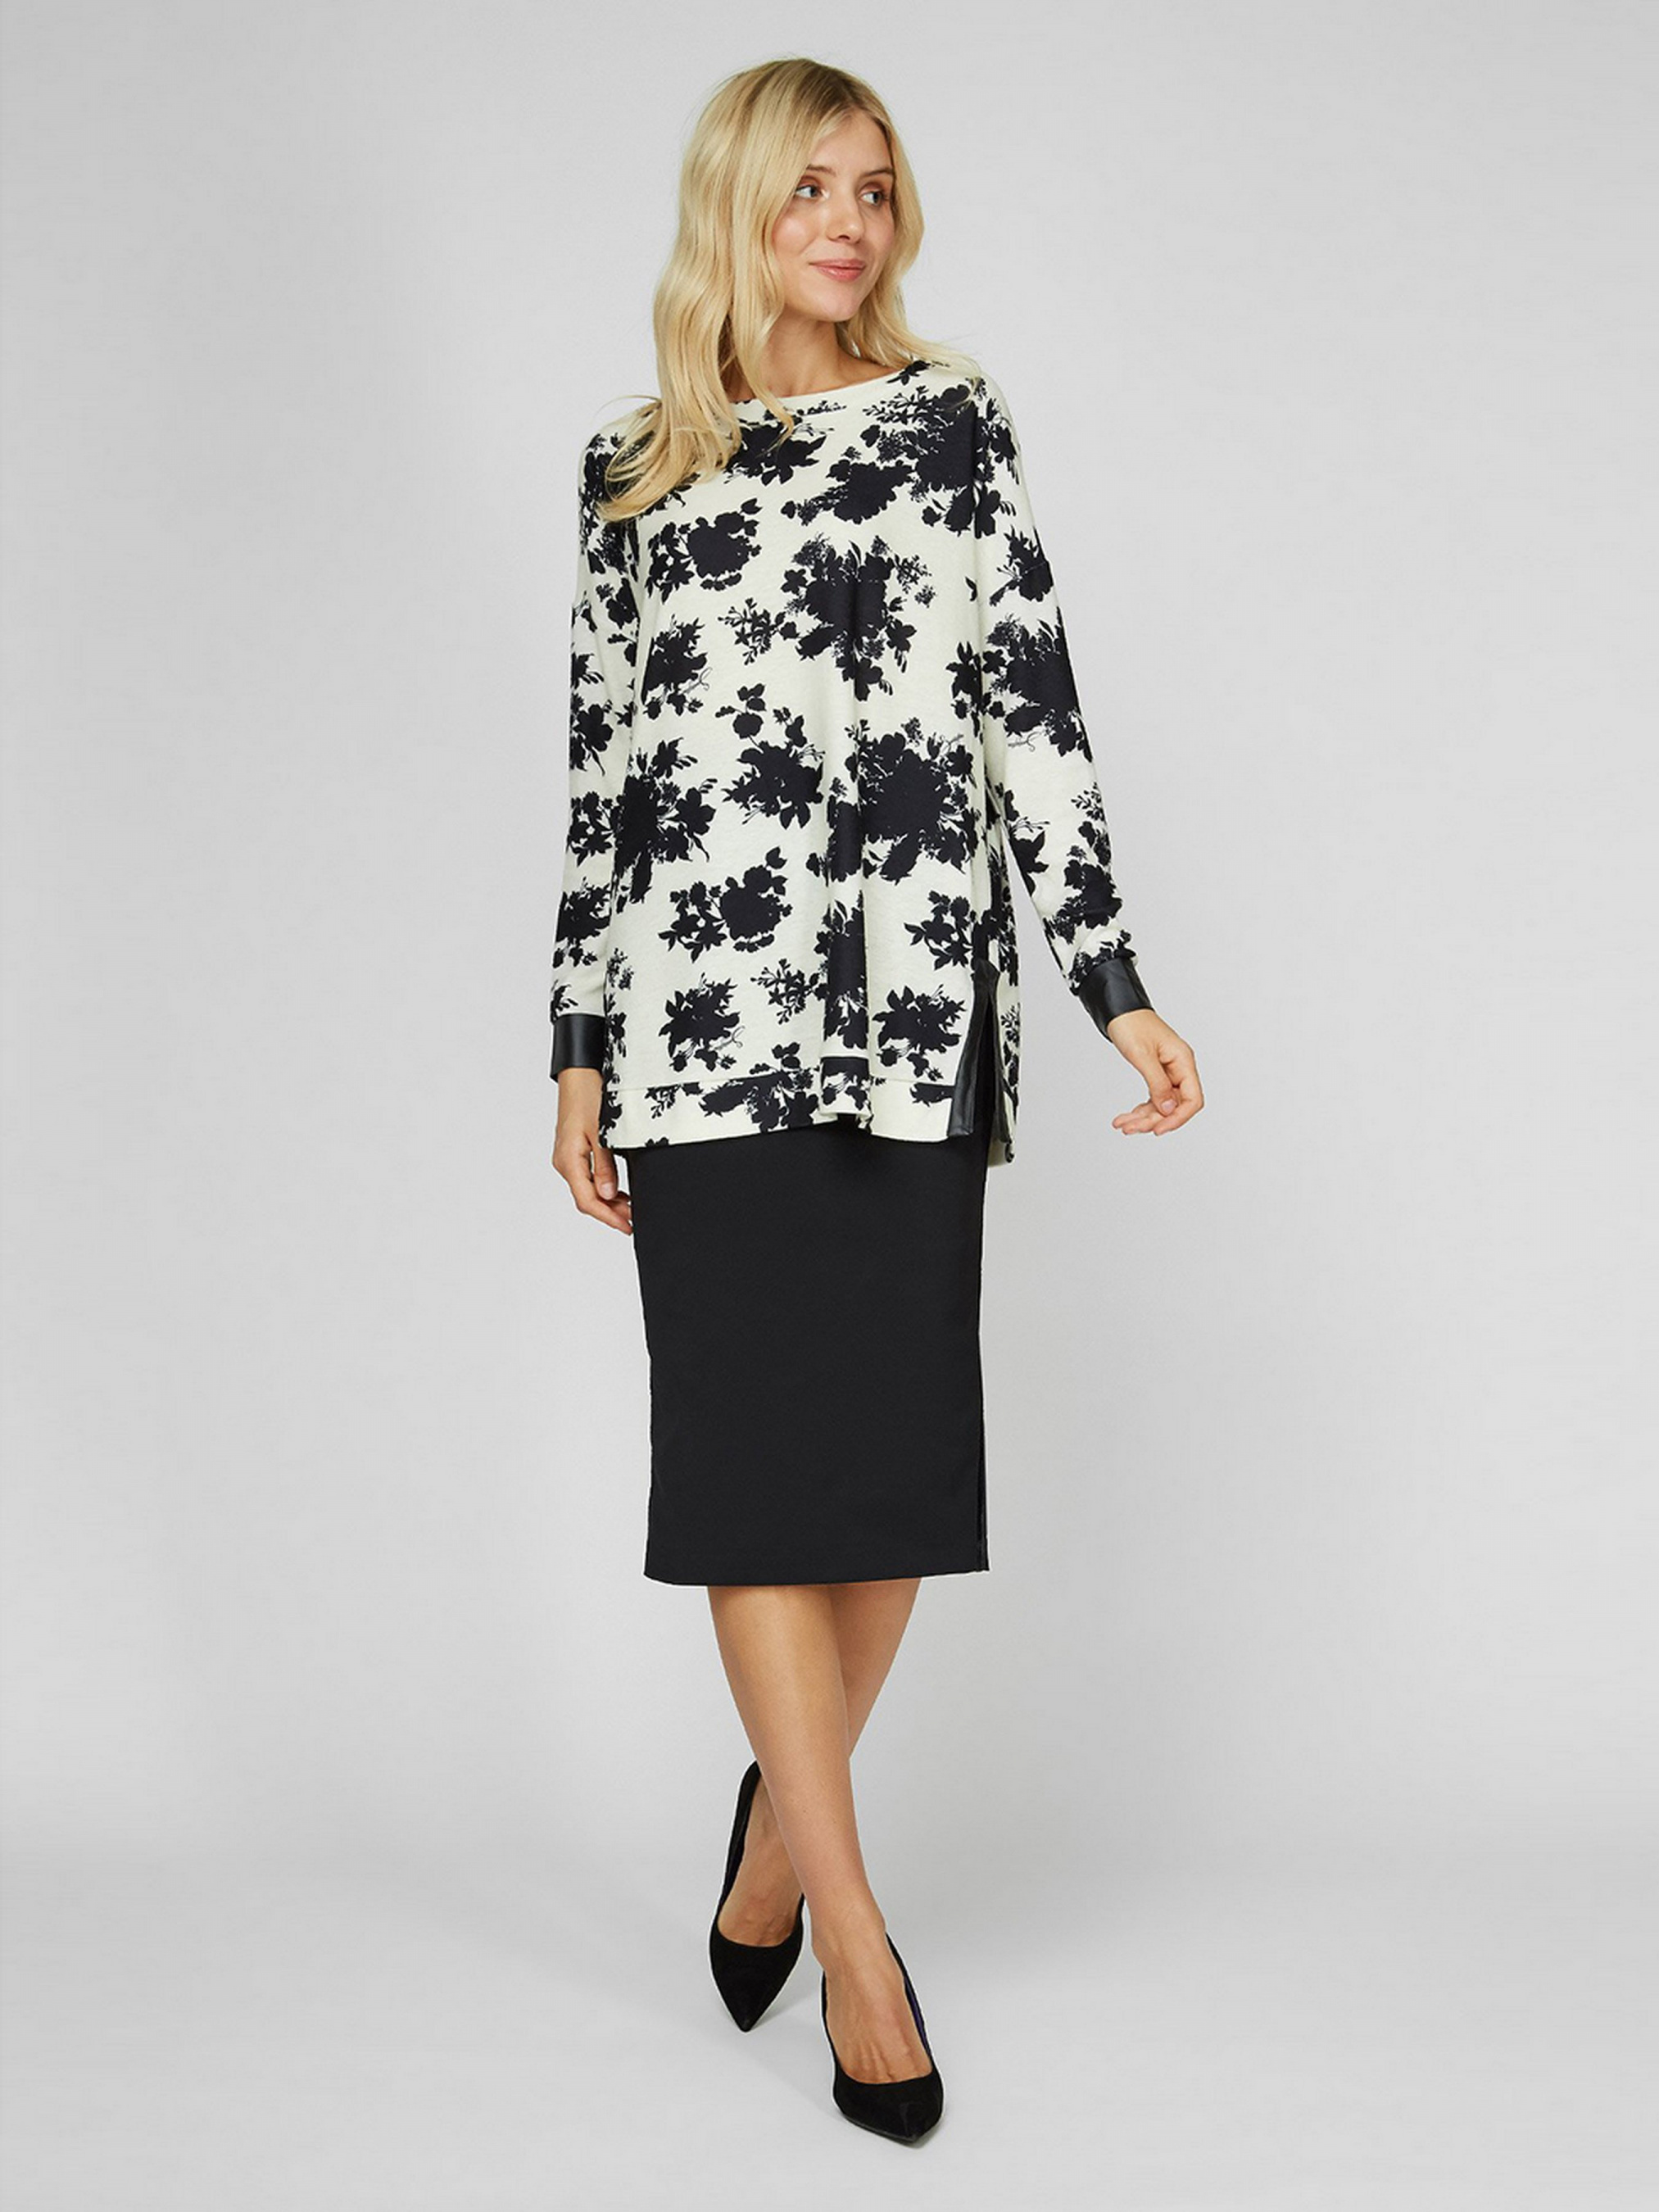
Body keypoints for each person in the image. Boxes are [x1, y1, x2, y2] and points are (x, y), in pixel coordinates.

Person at [547, 56, 1203, 2143]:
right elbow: (602, 778)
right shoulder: (631, 469)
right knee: (751, 1481)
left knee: (892, 1478)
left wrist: (1109, 982)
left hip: (917, 1011)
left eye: (875, 189)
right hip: (696, 1031)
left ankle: (772, 1834)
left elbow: (1032, 712)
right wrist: (574, 1042)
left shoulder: (945, 425)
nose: (847, 223)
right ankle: (850, 1937)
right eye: (809, 186)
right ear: (735, 205)